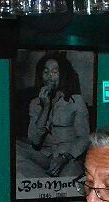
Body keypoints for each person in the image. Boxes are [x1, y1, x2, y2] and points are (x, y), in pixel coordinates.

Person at [16, 52, 90, 180]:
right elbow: (35, 140)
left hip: (67, 157)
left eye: (55, 72)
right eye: (46, 72)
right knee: (16, 150)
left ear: (62, 76)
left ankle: (49, 178)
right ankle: (46, 179)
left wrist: (64, 158)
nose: (50, 77)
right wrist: (45, 107)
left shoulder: (76, 101)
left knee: (70, 179)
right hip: (44, 156)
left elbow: (84, 138)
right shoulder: (35, 103)